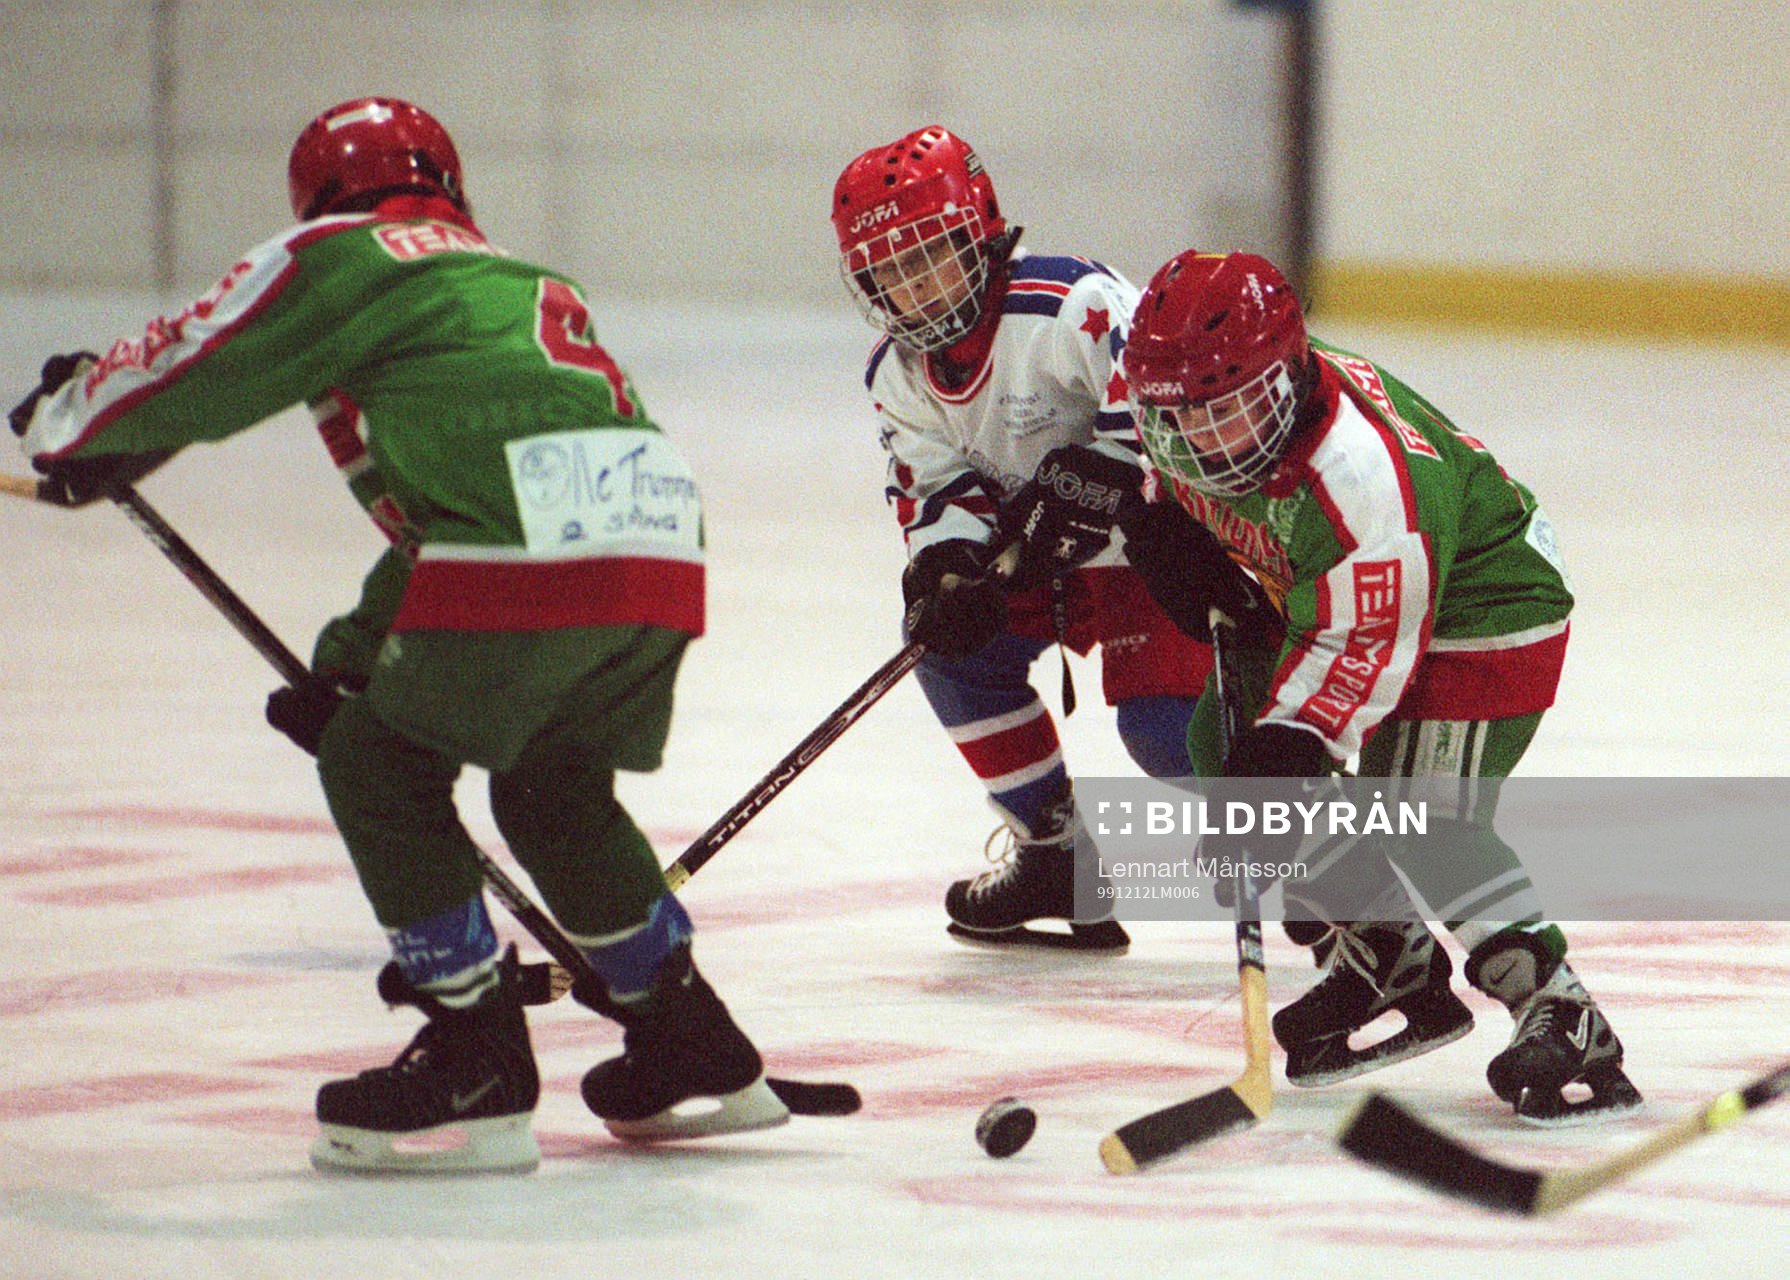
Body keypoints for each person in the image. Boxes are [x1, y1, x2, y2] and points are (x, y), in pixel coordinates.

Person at [10, 96, 789, 1172]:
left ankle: (474, 1051)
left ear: (319, 198)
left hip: (531, 545)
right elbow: (464, 510)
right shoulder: (504, 274)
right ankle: (687, 1029)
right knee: (553, 790)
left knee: (378, 766)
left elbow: (207, 356)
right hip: (657, 546)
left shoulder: (345, 253)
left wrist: (74, 419)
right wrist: (350, 658)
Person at [1015, 248, 1641, 1124]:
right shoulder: (1202, 407)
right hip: (1334, 590)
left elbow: (1356, 655)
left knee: (1420, 815)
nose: (1204, 441)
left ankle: (1560, 1010)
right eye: (1180, 419)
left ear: (1284, 380)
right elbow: (1172, 474)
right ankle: (1388, 953)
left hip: (1483, 606)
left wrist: (1277, 778)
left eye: (1226, 414)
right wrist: (1158, 525)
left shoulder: (1362, 482)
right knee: (1213, 742)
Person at [830, 126, 1221, 953]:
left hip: (1158, 554)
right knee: (947, 647)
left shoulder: (1071, 304)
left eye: (928, 254)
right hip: (1044, 556)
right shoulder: (895, 375)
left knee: (1167, 735)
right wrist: (948, 561)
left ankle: (1347, 863)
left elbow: (1167, 402)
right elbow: (933, 486)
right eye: (887, 273)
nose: (913, 289)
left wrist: (1108, 477)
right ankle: (1057, 859)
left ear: (982, 233)